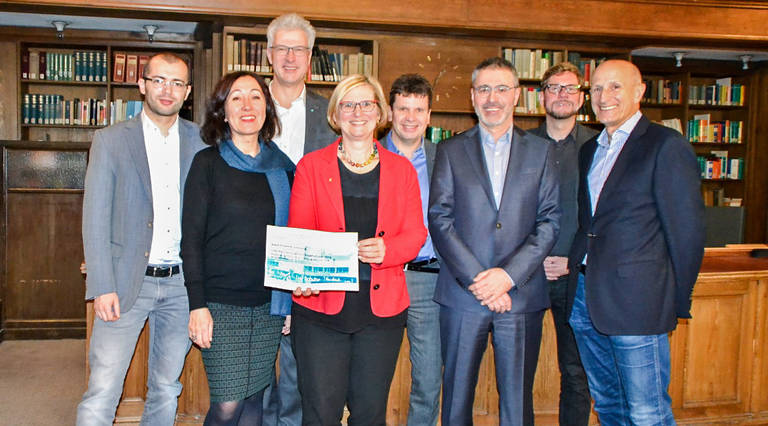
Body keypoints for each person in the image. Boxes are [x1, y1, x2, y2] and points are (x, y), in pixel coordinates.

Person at [566, 59, 705, 424]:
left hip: (638, 303)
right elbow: (589, 224)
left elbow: (687, 233)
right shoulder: (589, 151)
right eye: (596, 88)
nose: (604, 96)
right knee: (608, 404)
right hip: (584, 298)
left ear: (639, 91)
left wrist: (674, 299)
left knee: (647, 412)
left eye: (615, 86)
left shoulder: (665, 146)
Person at [288, 74, 427, 425]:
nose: (358, 112)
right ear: (336, 114)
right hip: (320, 308)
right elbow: (299, 233)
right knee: (320, 414)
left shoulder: (402, 170)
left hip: (381, 313)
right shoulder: (311, 167)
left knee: (369, 414)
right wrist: (299, 275)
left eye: (366, 103)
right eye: (348, 104)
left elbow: (415, 234)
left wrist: (388, 249)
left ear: (380, 112)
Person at [428, 57, 560, 426]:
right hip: (462, 297)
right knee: (455, 403)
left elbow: (549, 222)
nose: (492, 98)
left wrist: (507, 276)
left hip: (521, 296)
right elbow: (440, 219)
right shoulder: (451, 150)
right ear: (472, 97)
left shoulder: (541, 151)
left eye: (502, 89)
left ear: (517, 96)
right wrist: (480, 280)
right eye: (484, 89)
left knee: (517, 406)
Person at [77, 52, 205, 425]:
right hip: (124, 282)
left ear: (187, 92)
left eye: (177, 83)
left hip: (181, 285)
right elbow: (95, 217)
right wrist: (102, 285)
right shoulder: (111, 140)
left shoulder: (201, 142)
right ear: (142, 84)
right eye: (159, 80)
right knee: (103, 388)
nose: (168, 90)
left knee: (166, 387)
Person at [180, 71, 294, 426]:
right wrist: (197, 305)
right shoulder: (207, 163)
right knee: (228, 404)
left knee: (255, 401)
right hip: (219, 304)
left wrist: (289, 301)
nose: (247, 105)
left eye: (256, 97)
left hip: (267, 305)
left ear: (267, 109)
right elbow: (192, 239)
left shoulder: (284, 168)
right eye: (236, 98)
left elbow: (294, 238)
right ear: (223, 112)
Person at [261, 14, 337, 425]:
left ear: (310, 58)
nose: (291, 57)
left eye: (300, 49)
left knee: (297, 363)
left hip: (310, 253)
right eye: (283, 48)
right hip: (253, 249)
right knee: (257, 363)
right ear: (269, 54)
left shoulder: (330, 115)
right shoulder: (246, 105)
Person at [528, 62, 596, 426]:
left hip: (577, 276)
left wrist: (572, 260)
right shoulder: (520, 144)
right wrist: (531, 260)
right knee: (518, 369)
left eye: (570, 89)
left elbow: (603, 215)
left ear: (581, 98)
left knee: (576, 371)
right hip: (527, 276)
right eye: (554, 88)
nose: (562, 95)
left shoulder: (598, 146)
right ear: (542, 96)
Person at [383, 73, 441, 426]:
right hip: (380, 275)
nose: (410, 117)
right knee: (369, 373)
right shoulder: (367, 153)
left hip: (428, 280)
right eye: (403, 108)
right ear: (390, 112)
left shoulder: (444, 157)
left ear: (429, 115)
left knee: (429, 377)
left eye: (418, 109)